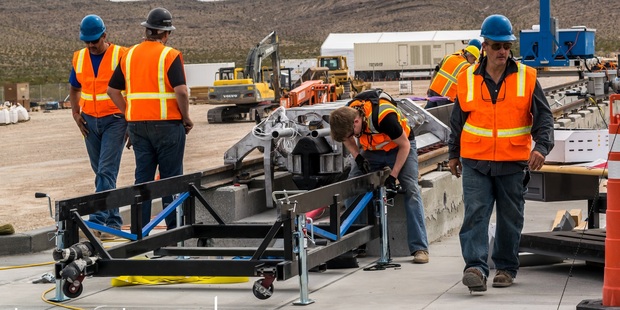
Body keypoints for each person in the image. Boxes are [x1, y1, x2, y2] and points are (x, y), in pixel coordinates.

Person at [447, 14, 554, 292]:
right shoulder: (466, 77)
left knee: (510, 217)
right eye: (497, 46)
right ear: (484, 46)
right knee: (476, 215)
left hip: (512, 161)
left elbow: (544, 118)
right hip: (475, 161)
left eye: (506, 46)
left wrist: (541, 147)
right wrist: (453, 153)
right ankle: (475, 268)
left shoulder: (527, 78)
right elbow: (457, 120)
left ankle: (505, 268)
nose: (503, 52)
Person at [107, 7, 193, 230]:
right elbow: (181, 91)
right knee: (170, 181)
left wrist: (129, 112)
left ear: (147, 31)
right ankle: (174, 233)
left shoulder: (129, 55)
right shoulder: (170, 55)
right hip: (168, 126)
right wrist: (186, 117)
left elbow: (112, 91)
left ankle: (139, 233)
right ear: (166, 34)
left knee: (142, 181)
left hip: (138, 127)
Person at [329, 89, 430, 264]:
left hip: (400, 148)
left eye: (353, 133)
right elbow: (346, 138)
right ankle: (357, 242)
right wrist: (358, 156)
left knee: (411, 189)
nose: (353, 137)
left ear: (356, 121)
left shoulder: (385, 117)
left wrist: (393, 176)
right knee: (353, 186)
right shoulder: (347, 112)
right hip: (372, 151)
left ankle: (420, 248)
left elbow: (404, 145)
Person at [70, 14, 128, 239]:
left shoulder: (120, 55)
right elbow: (74, 87)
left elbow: (130, 89)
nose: (91, 45)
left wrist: (130, 120)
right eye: (87, 41)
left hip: (115, 120)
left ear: (105, 34)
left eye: (95, 40)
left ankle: (96, 222)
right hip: (89, 122)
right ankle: (113, 224)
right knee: (103, 174)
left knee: (105, 171)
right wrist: (75, 113)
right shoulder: (79, 58)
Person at [425, 42, 480, 109]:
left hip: (433, 90)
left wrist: (430, 86)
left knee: (428, 113)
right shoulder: (466, 66)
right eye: (473, 60)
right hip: (446, 96)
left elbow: (436, 71)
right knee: (442, 118)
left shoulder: (448, 57)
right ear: (470, 56)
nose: (473, 63)